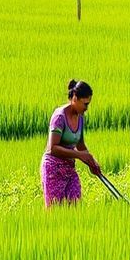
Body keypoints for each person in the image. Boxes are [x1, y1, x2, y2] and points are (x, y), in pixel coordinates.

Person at [41, 79, 101, 207]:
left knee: (75, 207)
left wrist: (92, 163)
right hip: (53, 169)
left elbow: (80, 146)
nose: (86, 108)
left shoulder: (80, 118)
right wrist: (79, 155)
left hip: (69, 168)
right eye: (85, 104)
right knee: (55, 212)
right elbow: (53, 148)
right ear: (75, 98)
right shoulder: (59, 117)